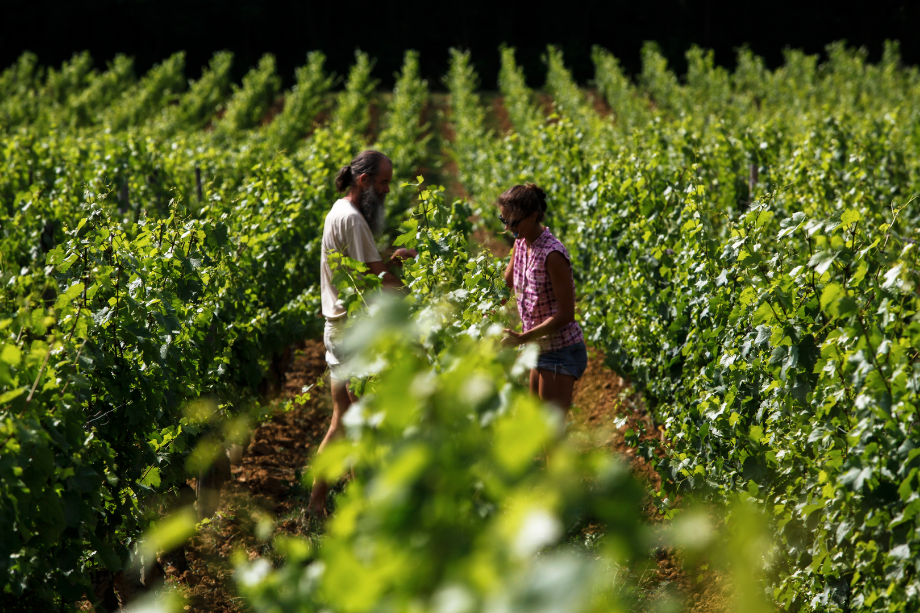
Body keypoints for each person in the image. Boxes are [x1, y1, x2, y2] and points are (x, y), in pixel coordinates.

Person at [310, 149, 415, 516]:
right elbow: (380, 279)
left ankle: (319, 503)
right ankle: (364, 505)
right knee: (366, 422)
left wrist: (392, 260)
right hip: (352, 333)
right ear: (364, 180)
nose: (387, 189)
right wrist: (415, 299)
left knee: (344, 421)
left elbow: (367, 269)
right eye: (383, 182)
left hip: (337, 329)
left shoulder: (338, 211)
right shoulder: (353, 220)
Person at [500, 183, 587, 414]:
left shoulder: (553, 254)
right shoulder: (521, 242)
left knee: (551, 437)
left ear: (533, 216)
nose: (508, 228)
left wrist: (521, 338)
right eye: (503, 220)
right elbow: (505, 284)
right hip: (538, 347)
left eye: (513, 222)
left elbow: (567, 315)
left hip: (560, 350)